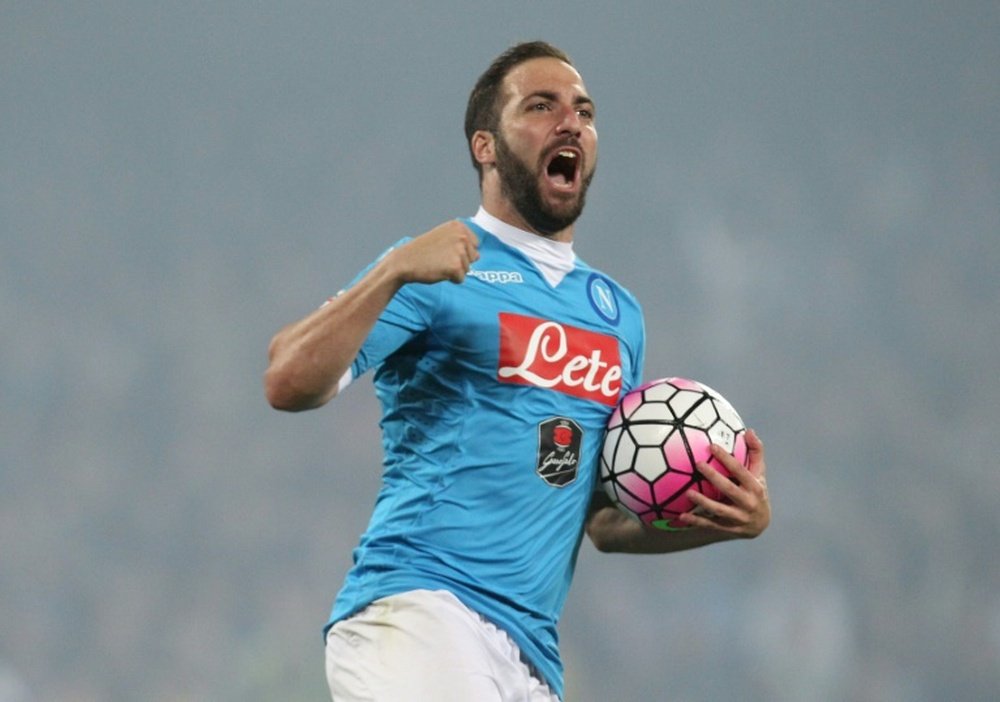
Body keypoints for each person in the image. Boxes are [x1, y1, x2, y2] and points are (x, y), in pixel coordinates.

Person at [264, 40, 770, 702]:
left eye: (583, 112)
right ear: (486, 146)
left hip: (530, 654)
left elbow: (599, 520)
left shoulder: (619, 317)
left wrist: (725, 516)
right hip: (420, 609)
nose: (571, 123)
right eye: (541, 106)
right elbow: (286, 380)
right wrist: (391, 272)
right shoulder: (437, 265)